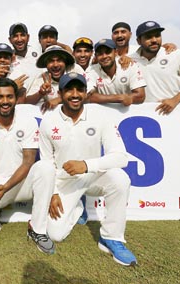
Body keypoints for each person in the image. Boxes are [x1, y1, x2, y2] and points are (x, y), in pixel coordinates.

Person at [39, 72, 137, 266]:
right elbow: (46, 163)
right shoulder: (48, 121)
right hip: (64, 181)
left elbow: (120, 157)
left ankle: (112, 238)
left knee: (120, 179)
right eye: (69, 89)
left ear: (85, 92)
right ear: (60, 92)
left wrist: (86, 165)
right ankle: (77, 206)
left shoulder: (100, 116)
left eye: (80, 89)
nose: (75, 94)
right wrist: (53, 192)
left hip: (93, 175)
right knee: (55, 234)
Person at [0, 77, 56, 254]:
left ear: (16, 98)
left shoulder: (27, 121)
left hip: (22, 182)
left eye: (9, 96)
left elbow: (28, 161)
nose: (5, 101)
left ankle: (37, 229)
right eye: (0, 97)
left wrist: (7, 187)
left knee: (45, 168)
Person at [130, 21, 180, 115]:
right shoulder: (130, 61)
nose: (154, 40)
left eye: (157, 35)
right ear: (139, 41)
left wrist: (175, 100)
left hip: (171, 114)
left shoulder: (177, 54)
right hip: (142, 115)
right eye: (148, 37)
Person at [88, 39, 146, 106]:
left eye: (108, 52)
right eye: (100, 54)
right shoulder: (91, 70)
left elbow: (141, 96)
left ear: (115, 52)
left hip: (128, 113)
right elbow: (89, 97)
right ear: (96, 56)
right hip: (104, 113)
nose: (104, 56)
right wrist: (118, 98)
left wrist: (129, 98)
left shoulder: (130, 66)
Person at [26, 45, 80, 112]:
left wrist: (60, 99)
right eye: (51, 61)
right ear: (46, 64)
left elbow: (89, 94)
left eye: (59, 60)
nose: (55, 65)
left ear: (65, 62)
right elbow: (27, 103)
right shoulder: (42, 78)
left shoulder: (74, 69)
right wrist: (40, 93)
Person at [111, 21, 177, 58]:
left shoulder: (137, 51)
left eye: (123, 32)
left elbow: (152, 48)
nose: (119, 35)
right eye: (116, 33)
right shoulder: (106, 55)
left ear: (130, 34)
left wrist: (166, 46)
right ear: (112, 36)